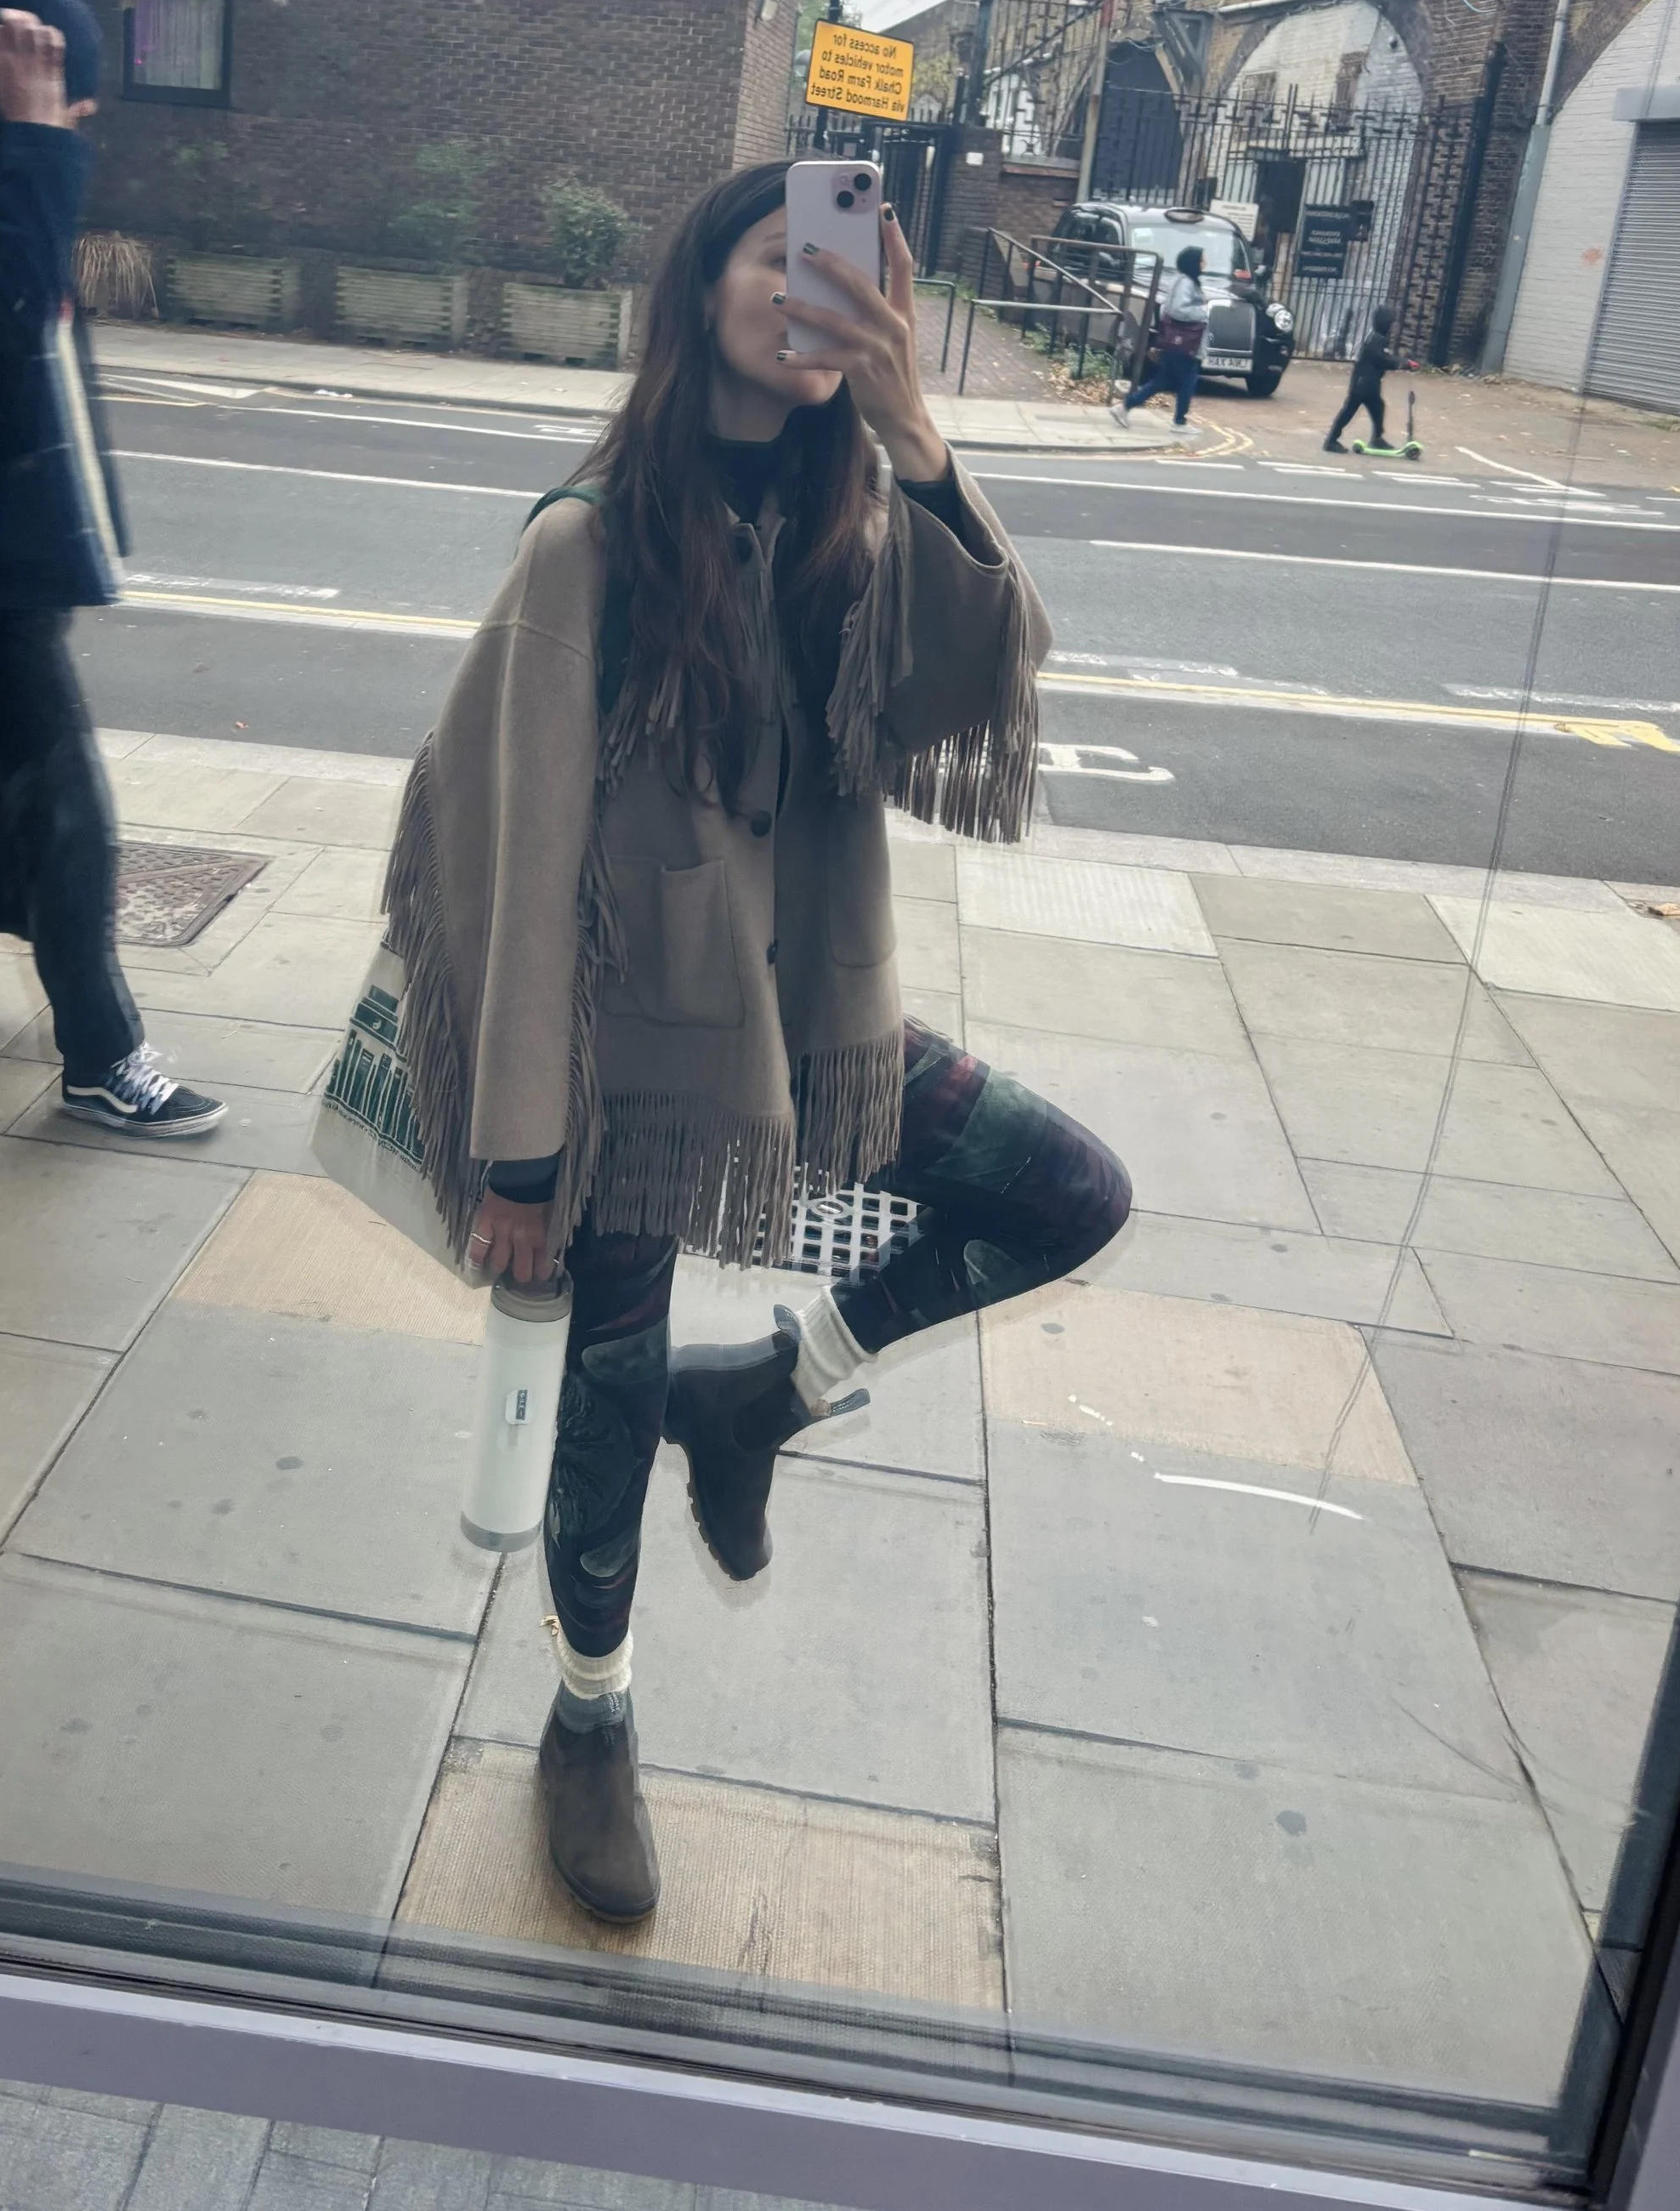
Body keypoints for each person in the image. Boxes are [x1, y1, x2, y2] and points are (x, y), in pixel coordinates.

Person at [379, 163, 1132, 1921]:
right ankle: (588, 1718)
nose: (810, 293)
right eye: (777, 254)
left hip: (812, 1017)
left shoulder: (851, 520)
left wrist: (922, 440)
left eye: (849, 268)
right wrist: (517, 1158)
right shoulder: (588, 536)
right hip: (624, 1057)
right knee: (601, 1383)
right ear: (701, 278)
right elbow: (507, 853)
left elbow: (969, 688)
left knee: (1062, 1191)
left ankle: (764, 1392)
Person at [0, 0, 224, 1136]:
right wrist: (37, 143)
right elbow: (6, 306)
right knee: (68, 811)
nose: (81, 122)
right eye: (69, 98)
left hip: (5, 561)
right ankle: (102, 1052)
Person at [1110, 244, 1208, 430]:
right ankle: (1179, 422)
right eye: (1203, 259)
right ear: (1194, 263)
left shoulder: (1182, 280)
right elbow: (1176, 309)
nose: (1205, 262)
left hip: (1176, 343)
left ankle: (1124, 407)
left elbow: (1165, 308)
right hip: (1184, 343)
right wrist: (1203, 313)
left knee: (1162, 381)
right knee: (1188, 380)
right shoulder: (1186, 282)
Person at [1324, 304, 1395, 452]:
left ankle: (1377, 438)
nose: (1392, 327)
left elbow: (1384, 358)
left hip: (1368, 384)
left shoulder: (1378, 338)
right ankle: (1331, 441)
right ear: (1385, 323)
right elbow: (1382, 359)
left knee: (1378, 408)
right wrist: (1403, 363)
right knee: (1349, 411)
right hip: (1363, 385)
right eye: (1390, 323)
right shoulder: (1376, 340)